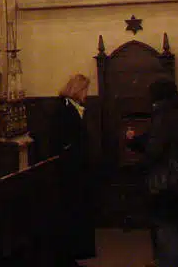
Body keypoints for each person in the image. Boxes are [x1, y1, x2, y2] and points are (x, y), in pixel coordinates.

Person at [125, 79, 178, 267]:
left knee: (166, 230)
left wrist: (137, 165)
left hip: (165, 184)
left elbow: (155, 150)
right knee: (176, 229)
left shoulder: (162, 117)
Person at [51, 73, 96, 266]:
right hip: (69, 173)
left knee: (77, 214)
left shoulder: (72, 108)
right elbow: (64, 140)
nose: (87, 94)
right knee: (71, 215)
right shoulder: (65, 109)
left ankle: (74, 254)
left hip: (76, 171)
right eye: (85, 90)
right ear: (78, 89)